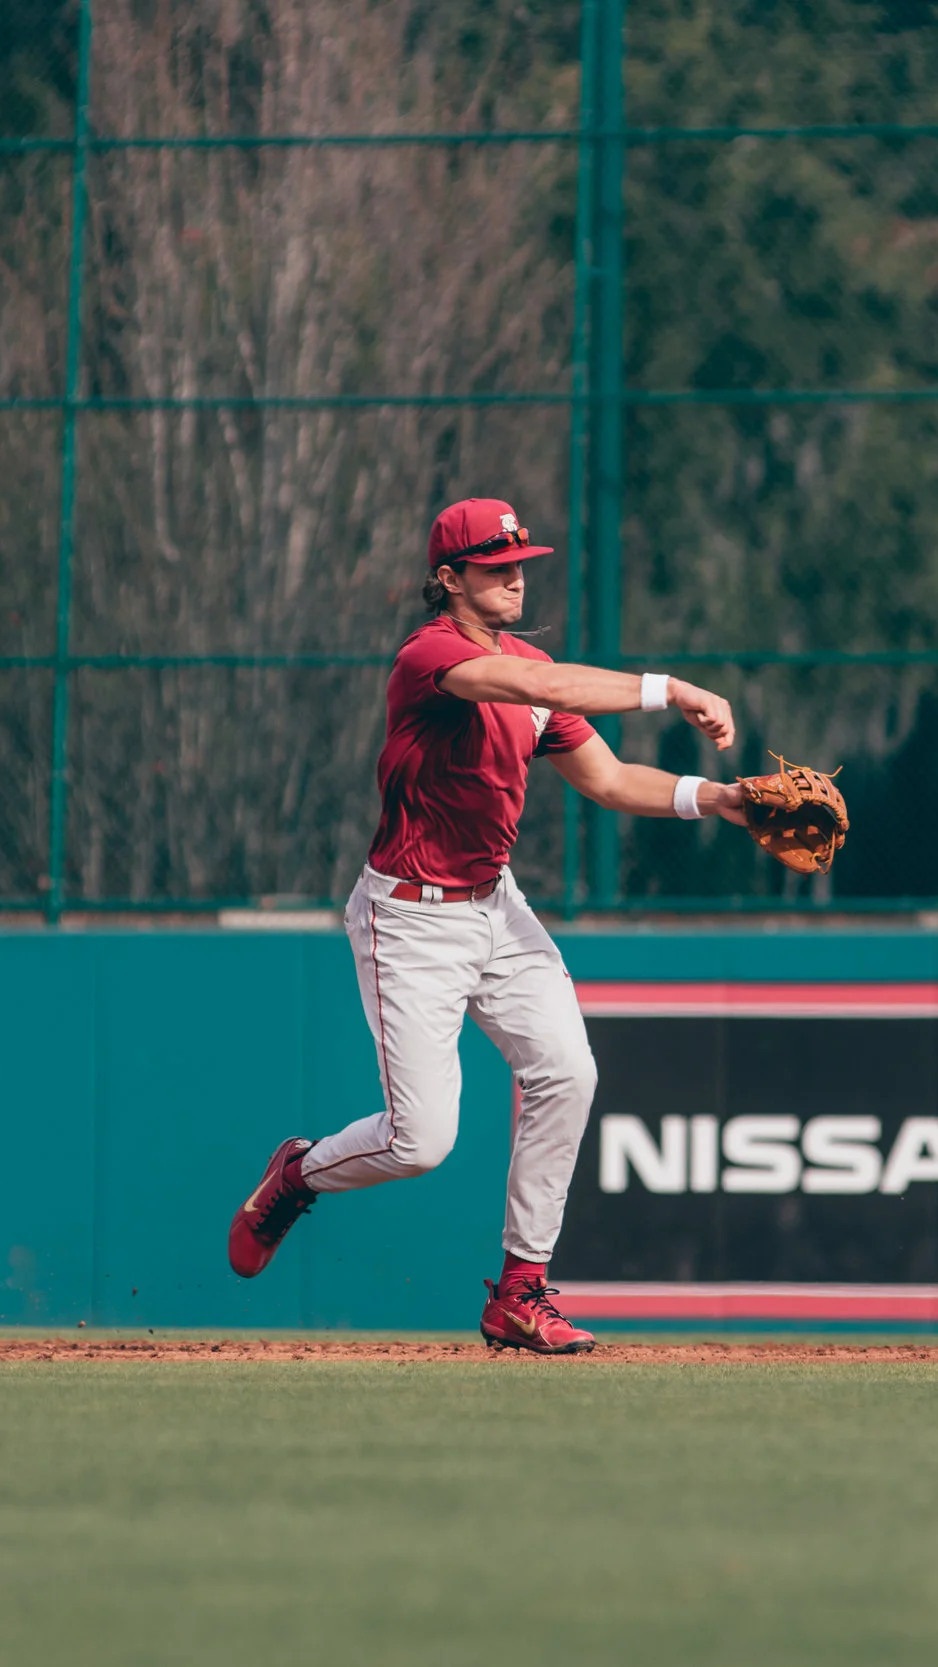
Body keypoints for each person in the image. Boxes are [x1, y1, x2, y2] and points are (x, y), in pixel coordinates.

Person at [225, 498, 745, 1353]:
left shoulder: (533, 666)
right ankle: (298, 1172)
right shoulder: (430, 658)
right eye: (495, 565)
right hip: (411, 917)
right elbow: (537, 686)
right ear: (448, 579)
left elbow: (610, 782)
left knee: (569, 1073)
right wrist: (671, 688)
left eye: (520, 561)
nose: (515, 576)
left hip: (495, 907)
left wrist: (714, 799)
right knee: (420, 1140)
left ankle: (520, 1291)